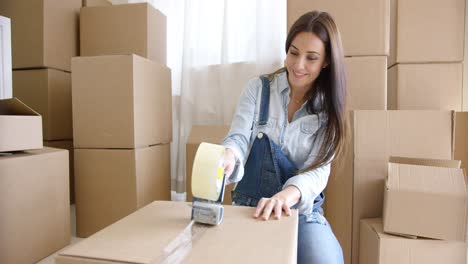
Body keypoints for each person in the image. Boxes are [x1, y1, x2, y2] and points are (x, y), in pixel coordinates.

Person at [222, 10, 347, 264]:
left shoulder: (329, 112)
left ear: (326, 62)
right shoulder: (257, 89)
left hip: (300, 212)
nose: (298, 65)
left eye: (311, 58)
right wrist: (227, 156)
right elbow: (238, 139)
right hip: (249, 208)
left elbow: (318, 172)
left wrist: (284, 196)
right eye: (293, 52)